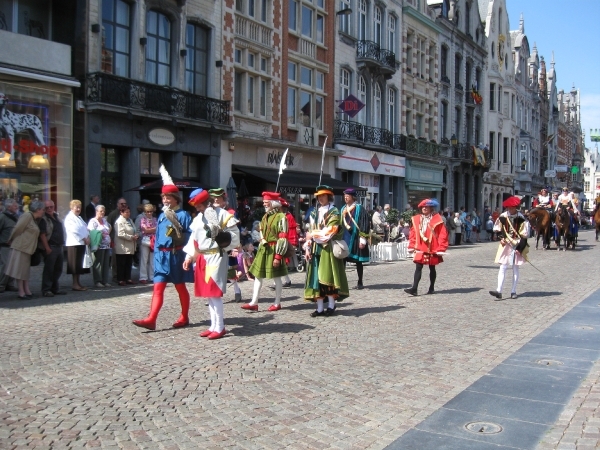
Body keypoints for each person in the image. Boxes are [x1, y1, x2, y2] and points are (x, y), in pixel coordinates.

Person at [133, 165, 194, 330]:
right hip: (161, 256)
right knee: (158, 287)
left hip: (176, 256)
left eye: (168, 197)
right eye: (163, 197)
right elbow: (159, 234)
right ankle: (151, 319)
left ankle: (184, 316)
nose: (165, 200)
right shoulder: (161, 215)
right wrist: (155, 243)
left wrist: (179, 235)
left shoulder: (183, 215)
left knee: (180, 287)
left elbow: (190, 236)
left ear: (175, 198)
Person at [183, 188, 240, 340]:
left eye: (199, 205)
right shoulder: (198, 219)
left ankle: (220, 327)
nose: (197, 208)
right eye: (195, 206)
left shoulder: (222, 214)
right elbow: (193, 240)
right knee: (208, 294)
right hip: (202, 257)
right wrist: (189, 257)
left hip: (216, 255)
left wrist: (224, 240)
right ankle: (213, 325)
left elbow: (235, 235)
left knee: (214, 293)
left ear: (206, 202)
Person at [304, 185, 349, 316]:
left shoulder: (335, 212)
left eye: (323, 196)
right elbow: (309, 232)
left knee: (327, 277)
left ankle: (331, 305)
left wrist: (312, 234)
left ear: (329, 197)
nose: (321, 198)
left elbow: (329, 233)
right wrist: (307, 247)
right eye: (319, 196)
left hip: (327, 249)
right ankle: (319, 308)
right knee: (315, 279)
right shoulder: (314, 213)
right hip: (315, 249)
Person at [241, 191, 289, 312]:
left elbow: (283, 237)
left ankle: (277, 303)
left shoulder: (281, 217)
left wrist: (278, 256)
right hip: (264, 248)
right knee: (258, 275)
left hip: (274, 249)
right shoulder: (265, 216)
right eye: (263, 203)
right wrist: (262, 239)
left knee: (276, 277)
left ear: (273, 203)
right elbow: (262, 230)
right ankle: (254, 302)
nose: (264, 205)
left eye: (266, 202)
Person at [404, 199, 449, 296]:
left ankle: (431, 287)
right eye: (423, 207)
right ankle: (414, 288)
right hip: (420, 247)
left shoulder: (437, 219)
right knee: (418, 267)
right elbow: (413, 233)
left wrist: (441, 248)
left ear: (431, 208)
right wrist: (411, 245)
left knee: (432, 268)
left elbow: (442, 234)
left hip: (432, 247)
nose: (424, 208)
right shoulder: (417, 219)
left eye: (426, 207)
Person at [489, 196, 530, 300]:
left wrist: (519, 249)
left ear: (516, 207)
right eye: (509, 208)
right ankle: (499, 291)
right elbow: (498, 230)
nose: (510, 210)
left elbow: (524, 236)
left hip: (517, 244)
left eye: (512, 208)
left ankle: (513, 291)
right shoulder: (503, 216)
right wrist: (501, 238)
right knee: (503, 267)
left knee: (515, 268)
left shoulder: (521, 218)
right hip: (505, 244)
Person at [4, 200, 45, 299]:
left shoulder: (34, 218)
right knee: (20, 271)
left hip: (27, 249)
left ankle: (27, 290)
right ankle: (21, 292)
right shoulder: (27, 216)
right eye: (43, 209)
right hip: (21, 247)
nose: (43, 211)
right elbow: (17, 228)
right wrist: (10, 239)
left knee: (25, 271)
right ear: (38, 210)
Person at [340, 188, 370, 289]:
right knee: (342, 260)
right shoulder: (343, 208)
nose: (345, 198)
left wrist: (363, 238)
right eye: (344, 196)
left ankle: (360, 282)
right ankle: (341, 282)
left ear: (353, 197)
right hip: (345, 237)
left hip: (356, 237)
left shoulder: (359, 208)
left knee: (358, 262)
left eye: (347, 196)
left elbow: (364, 223)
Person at [38, 200, 66, 297]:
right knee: (49, 269)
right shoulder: (43, 219)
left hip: (59, 246)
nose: (49, 209)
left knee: (58, 269)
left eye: (51, 207)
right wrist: (47, 248)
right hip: (51, 247)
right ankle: (46, 289)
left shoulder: (56, 217)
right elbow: (42, 235)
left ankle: (54, 288)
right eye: (47, 208)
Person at [64, 199, 91, 291]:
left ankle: (78, 282)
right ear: (72, 208)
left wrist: (88, 237)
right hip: (74, 244)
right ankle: (75, 284)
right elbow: (74, 230)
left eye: (80, 207)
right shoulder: (69, 218)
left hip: (81, 243)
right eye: (77, 207)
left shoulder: (79, 218)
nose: (79, 209)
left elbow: (85, 228)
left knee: (79, 264)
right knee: (75, 265)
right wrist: (84, 238)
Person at [87, 204, 112, 288]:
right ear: (96, 211)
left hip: (106, 246)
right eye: (100, 211)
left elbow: (109, 227)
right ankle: (97, 281)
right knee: (98, 263)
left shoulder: (104, 220)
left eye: (103, 211)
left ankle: (105, 281)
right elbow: (91, 232)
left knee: (105, 264)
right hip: (98, 245)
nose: (102, 212)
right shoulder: (93, 221)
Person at [114, 207, 138, 286]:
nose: (128, 213)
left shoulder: (130, 220)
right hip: (122, 246)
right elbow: (120, 234)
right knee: (121, 263)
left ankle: (128, 278)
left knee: (128, 263)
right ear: (121, 212)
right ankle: (120, 279)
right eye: (126, 212)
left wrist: (136, 235)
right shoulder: (119, 221)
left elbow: (134, 229)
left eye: (129, 212)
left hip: (130, 246)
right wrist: (131, 237)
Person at [0, 198, 19, 293]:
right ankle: (1, 284)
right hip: (4, 246)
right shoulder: (2, 217)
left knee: (13, 266)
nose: (17, 207)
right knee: (5, 265)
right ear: (8, 207)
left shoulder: (16, 217)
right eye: (15, 205)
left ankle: (10, 284)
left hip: (15, 245)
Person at [107, 197, 128, 280]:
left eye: (125, 204)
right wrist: (110, 239)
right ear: (117, 204)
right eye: (121, 204)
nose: (123, 205)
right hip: (115, 239)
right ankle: (115, 275)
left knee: (124, 259)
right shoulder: (113, 214)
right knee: (115, 259)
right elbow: (108, 227)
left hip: (126, 239)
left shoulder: (127, 213)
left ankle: (124, 275)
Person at [138, 203, 157, 284]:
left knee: (152, 260)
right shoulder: (143, 219)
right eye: (147, 211)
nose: (149, 213)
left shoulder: (155, 219)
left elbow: (157, 229)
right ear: (145, 212)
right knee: (144, 259)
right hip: (145, 241)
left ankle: (152, 276)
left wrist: (149, 229)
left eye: (150, 211)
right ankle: (143, 277)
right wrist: (152, 229)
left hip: (153, 240)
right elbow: (145, 230)